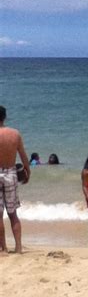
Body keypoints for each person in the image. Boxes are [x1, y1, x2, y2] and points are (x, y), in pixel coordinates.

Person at [0, 106, 30, 254]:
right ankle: (18, 247)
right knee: (13, 213)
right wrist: (27, 170)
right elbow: (23, 155)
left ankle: (3, 248)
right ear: (4, 117)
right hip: (11, 173)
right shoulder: (14, 134)